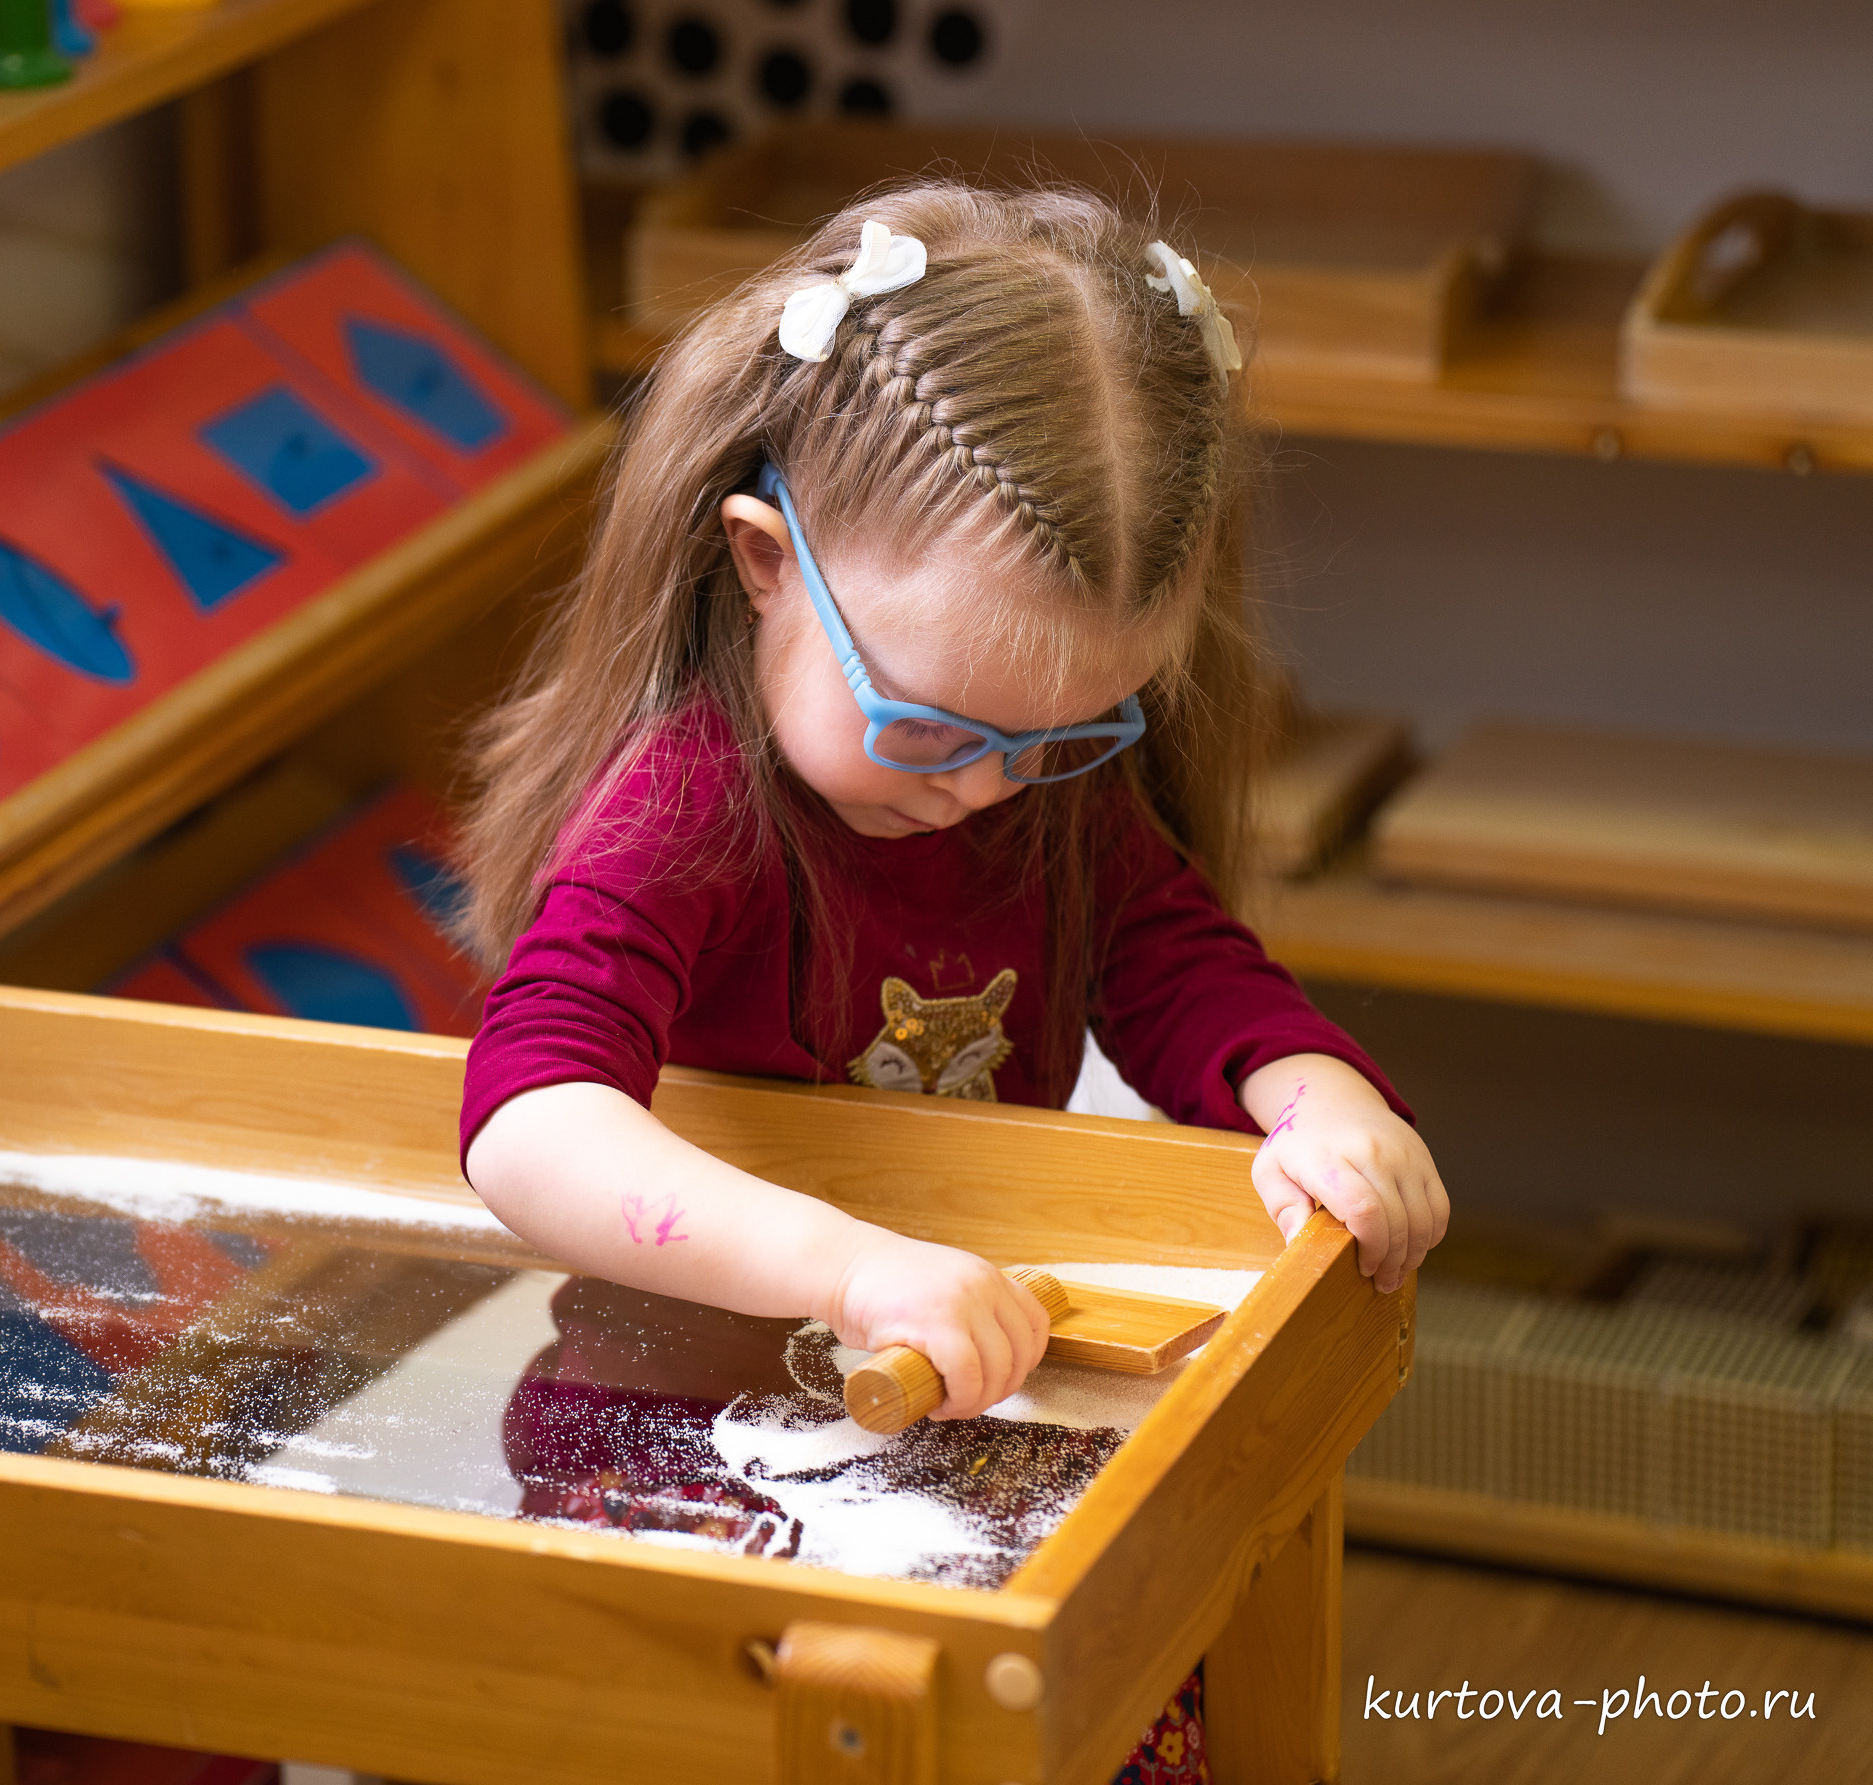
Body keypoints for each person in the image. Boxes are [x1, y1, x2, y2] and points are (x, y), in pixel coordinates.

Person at [455, 181, 1448, 1430]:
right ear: (767, 564)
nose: (981, 789)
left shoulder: (1040, 788)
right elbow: (532, 1123)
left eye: (1065, 735)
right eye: (921, 726)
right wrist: (849, 1269)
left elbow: (1179, 967)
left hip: (963, 1369)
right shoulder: (684, 806)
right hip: (669, 1397)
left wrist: (1324, 1103)